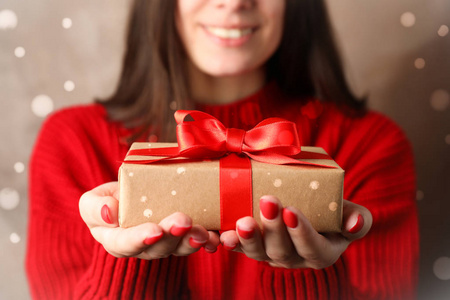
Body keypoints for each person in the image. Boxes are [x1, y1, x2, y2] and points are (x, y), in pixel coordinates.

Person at [26, 0, 419, 299]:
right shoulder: (73, 142)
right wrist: (132, 266)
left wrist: (306, 272)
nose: (233, 2)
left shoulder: (370, 144)